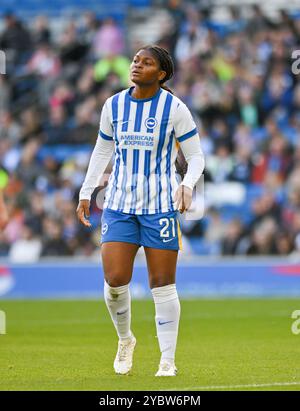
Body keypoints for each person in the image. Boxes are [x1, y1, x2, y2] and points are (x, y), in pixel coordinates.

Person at [76, 45, 205, 377]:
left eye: (146, 63)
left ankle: (167, 360)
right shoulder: (114, 105)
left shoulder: (175, 108)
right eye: (135, 60)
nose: (136, 65)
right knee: (115, 279)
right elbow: (102, 148)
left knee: (162, 284)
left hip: (160, 205)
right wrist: (87, 190)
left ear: (161, 74)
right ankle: (125, 339)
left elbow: (197, 157)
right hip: (118, 204)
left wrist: (187, 185)